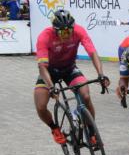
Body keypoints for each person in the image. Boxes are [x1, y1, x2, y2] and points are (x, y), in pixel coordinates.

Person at [34, 10, 109, 145]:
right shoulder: (44, 37)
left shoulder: (79, 31)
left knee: (85, 96)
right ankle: (55, 129)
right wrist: (51, 87)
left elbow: (92, 53)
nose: (67, 35)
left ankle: (92, 132)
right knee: (40, 105)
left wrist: (101, 74)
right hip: (49, 71)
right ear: (55, 30)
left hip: (69, 68)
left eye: (69, 31)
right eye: (63, 32)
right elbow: (42, 67)